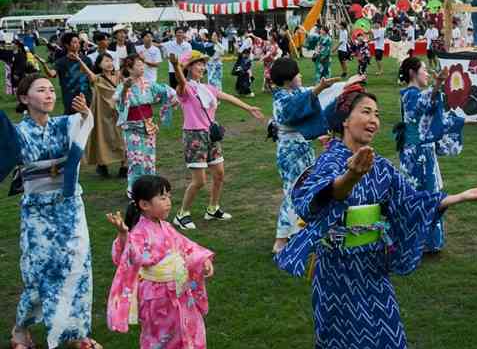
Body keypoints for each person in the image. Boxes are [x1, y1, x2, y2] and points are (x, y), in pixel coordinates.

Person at [275, 85, 477, 349]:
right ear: (345, 120)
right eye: (366, 112)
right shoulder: (330, 163)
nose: (374, 120)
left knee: (388, 339)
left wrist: (458, 197)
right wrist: (351, 177)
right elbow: (316, 200)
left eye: (377, 114)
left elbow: (409, 201)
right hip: (337, 271)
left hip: (373, 267)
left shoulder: (380, 166)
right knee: (342, 340)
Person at [5, 74, 103, 349]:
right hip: (38, 210)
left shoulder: (64, 123)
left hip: (70, 207)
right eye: (40, 90)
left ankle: (77, 331)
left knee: (78, 268)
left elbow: (83, 128)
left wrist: (86, 115)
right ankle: (21, 330)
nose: (49, 94)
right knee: (39, 272)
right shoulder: (16, 132)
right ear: (25, 98)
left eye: (51, 89)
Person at [106, 175, 215, 349]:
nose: (168, 202)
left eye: (169, 197)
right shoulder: (139, 233)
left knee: (188, 328)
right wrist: (124, 235)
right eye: (162, 198)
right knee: (161, 338)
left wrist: (202, 260)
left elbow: (186, 247)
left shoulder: (165, 226)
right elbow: (129, 256)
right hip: (157, 297)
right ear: (144, 204)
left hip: (180, 288)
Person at [269, 57, 355, 253]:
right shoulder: (281, 98)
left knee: (307, 189)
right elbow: (294, 109)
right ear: (287, 78)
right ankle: (281, 239)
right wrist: (317, 89)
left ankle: (299, 233)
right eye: (297, 73)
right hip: (289, 151)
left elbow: (321, 98)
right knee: (293, 191)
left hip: (304, 148)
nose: (300, 76)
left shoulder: (298, 92)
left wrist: (347, 85)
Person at [171, 51, 264, 230]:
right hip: (194, 136)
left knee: (219, 174)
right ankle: (182, 214)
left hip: (211, 136)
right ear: (189, 67)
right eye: (198, 64)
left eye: (203, 64)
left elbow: (227, 97)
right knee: (199, 181)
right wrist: (176, 66)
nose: (202, 67)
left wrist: (248, 108)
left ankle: (213, 209)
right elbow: (181, 81)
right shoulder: (186, 89)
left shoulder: (207, 88)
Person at [397, 57, 464, 253]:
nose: (426, 73)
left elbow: (429, 105)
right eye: (423, 70)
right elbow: (426, 102)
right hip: (418, 154)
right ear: (412, 73)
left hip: (416, 151)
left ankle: (419, 240)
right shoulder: (411, 94)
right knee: (427, 194)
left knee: (420, 193)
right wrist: (438, 83)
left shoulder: (411, 94)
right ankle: (425, 242)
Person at [115, 55, 179, 193]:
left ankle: (149, 188)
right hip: (132, 126)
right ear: (129, 69)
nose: (142, 67)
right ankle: (134, 188)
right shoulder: (123, 85)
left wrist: (173, 98)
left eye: (142, 64)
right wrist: (126, 89)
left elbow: (164, 91)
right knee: (136, 159)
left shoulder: (148, 83)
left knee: (149, 158)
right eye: (138, 65)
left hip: (148, 125)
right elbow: (120, 103)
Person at [80, 52, 125, 179]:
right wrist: (79, 59)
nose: (109, 63)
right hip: (102, 113)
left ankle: (124, 166)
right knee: (102, 138)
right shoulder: (98, 78)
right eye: (105, 61)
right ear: (99, 65)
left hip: (119, 112)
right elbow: (89, 74)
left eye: (110, 60)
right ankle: (102, 165)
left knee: (122, 138)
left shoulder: (118, 75)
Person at [49, 32, 93, 115]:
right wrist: (44, 65)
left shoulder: (86, 60)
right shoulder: (61, 62)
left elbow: (92, 78)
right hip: (70, 98)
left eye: (78, 42)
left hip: (86, 96)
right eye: (74, 42)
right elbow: (52, 74)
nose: (78, 44)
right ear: (67, 45)